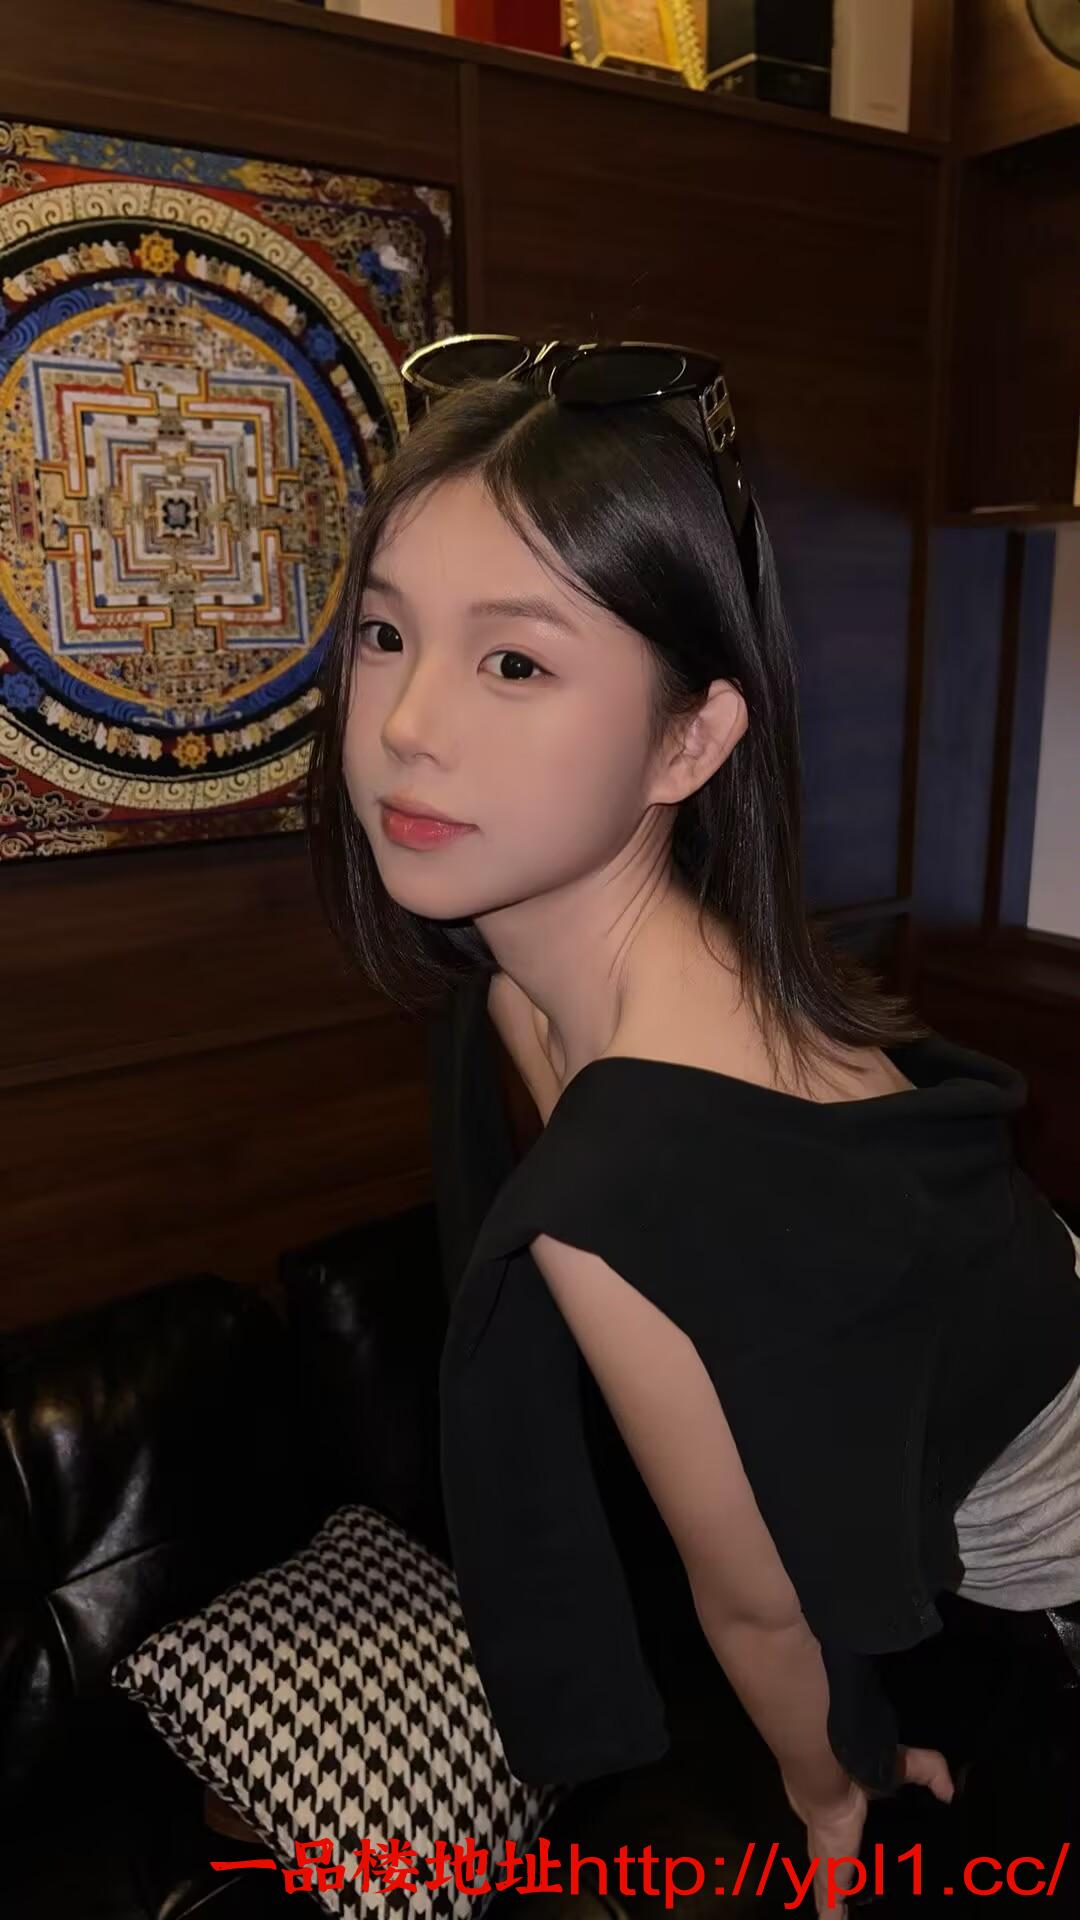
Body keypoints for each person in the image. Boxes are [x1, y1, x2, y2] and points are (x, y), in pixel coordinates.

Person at [304, 336, 1080, 1917]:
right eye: (385, 634)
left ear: (689, 741)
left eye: (515, 663)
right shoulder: (587, 980)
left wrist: (829, 1788)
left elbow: (763, 1608)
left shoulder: (627, 1182)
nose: (405, 725)